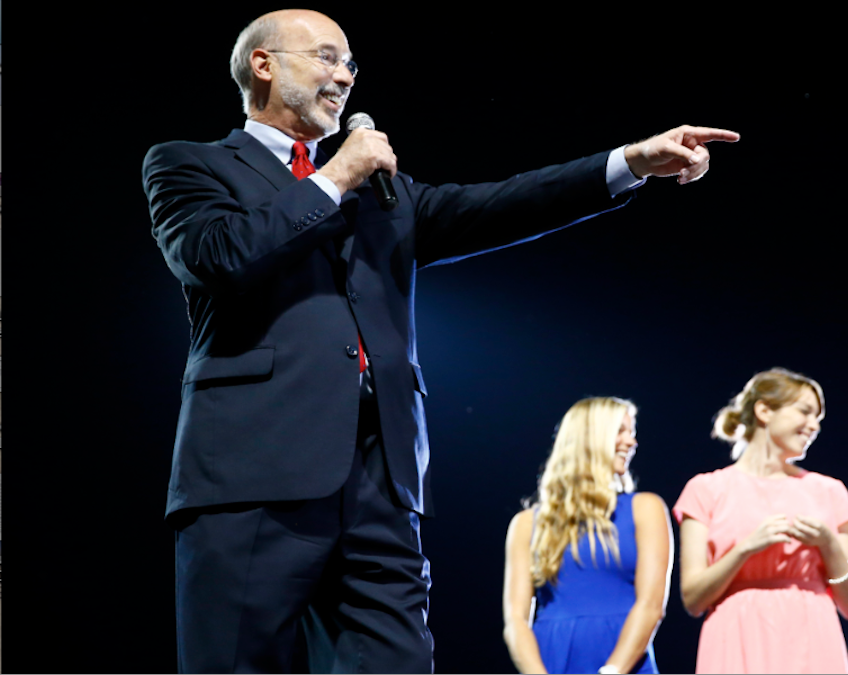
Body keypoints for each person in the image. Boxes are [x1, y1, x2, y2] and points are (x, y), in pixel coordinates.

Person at [141, 9, 738, 673]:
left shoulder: (385, 194)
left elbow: (502, 204)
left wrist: (629, 163)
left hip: (380, 480)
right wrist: (335, 179)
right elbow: (219, 257)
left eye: (352, 66)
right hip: (252, 476)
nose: (345, 76)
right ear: (263, 64)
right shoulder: (188, 165)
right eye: (327, 58)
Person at [673, 368, 848, 674]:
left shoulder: (829, 490)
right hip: (736, 637)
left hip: (812, 638)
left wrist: (829, 544)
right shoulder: (706, 489)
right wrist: (744, 549)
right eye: (805, 411)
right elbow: (693, 599)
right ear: (764, 411)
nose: (814, 425)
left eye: (819, 417)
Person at [502, 397, 673, 674]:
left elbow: (651, 605)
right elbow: (516, 619)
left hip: (624, 661)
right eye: (620, 431)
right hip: (550, 659)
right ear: (589, 437)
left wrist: (613, 669)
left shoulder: (646, 509)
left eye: (632, 432)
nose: (631, 442)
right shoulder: (525, 524)